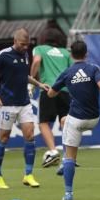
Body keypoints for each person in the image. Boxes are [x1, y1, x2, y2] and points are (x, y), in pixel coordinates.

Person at [46, 40, 100, 200]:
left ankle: (68, 192)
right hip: (94, 119)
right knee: (63, 120)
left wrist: (49, 88)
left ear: (71, 54)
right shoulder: (93, 69)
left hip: (77, 120)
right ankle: (67, 161)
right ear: (86, 54)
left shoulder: (67, 73)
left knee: (70, 156)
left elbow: (51, 94)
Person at [0, 28, 50, 189]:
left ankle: (28, 174)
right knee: (4, 138)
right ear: (15, 41)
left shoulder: (25, 55)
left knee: (30, 135)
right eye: (22, 45)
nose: (25, 48)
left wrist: (39, 84)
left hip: (24, 103)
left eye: (27, 45)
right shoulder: (3, 55)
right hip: (6, 104)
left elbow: (24, 76)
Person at [31, 28, 72, 169]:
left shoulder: (40, 49)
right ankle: (69, 155)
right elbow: (72, 70)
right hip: (65, 90)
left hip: (48, 89)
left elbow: (36, 62)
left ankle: (53, 151)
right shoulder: (66, 53)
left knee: (43, 123)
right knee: (65, 121)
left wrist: (31, 79)